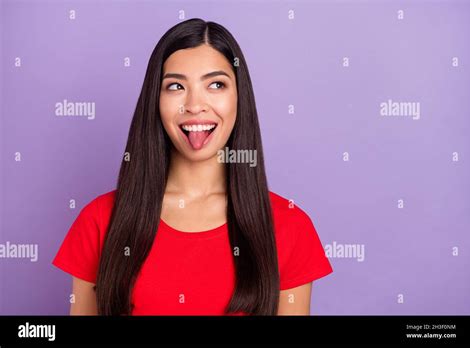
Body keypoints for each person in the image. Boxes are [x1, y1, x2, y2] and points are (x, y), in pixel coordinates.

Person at [52, 18, 333, 316]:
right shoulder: (99, 221)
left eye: (216, 84)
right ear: (155, 101)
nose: (195, 104)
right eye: (175, 86)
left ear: (239, 97)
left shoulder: (290, 227)